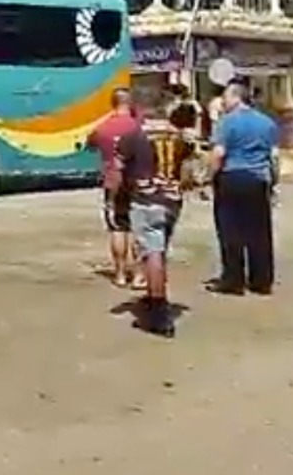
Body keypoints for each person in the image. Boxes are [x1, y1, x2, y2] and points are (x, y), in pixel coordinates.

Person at [111, 103, 199, 337]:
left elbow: (117, 170)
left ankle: (158, 308)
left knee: (152, 252)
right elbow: (189, 172)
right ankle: (154, 295)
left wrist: (116, 197)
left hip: (145, 200)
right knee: (159, 250)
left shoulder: (132, 137)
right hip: (172, 201)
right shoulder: (182, 138)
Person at [207, 79, 280, 296]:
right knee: (259, 232)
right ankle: (261, 280)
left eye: (226, 97)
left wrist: (211, 177)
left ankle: (233, 279)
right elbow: (274, 157)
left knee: (230, 231)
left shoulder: (227, 122)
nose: (224, 102)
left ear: (236, 97)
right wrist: (273, 182)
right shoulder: (267, 123)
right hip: (258, 179)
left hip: (232, 178)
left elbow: (219, 153)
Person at [85, 88, 142, 289]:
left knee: (118, 228)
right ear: (131, 102)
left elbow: (89, 143)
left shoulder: (104, 127)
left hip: (112, 182)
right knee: (137, 228)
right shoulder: (138, 127)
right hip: (136, 182)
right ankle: (138, 275)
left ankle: (119, 274)